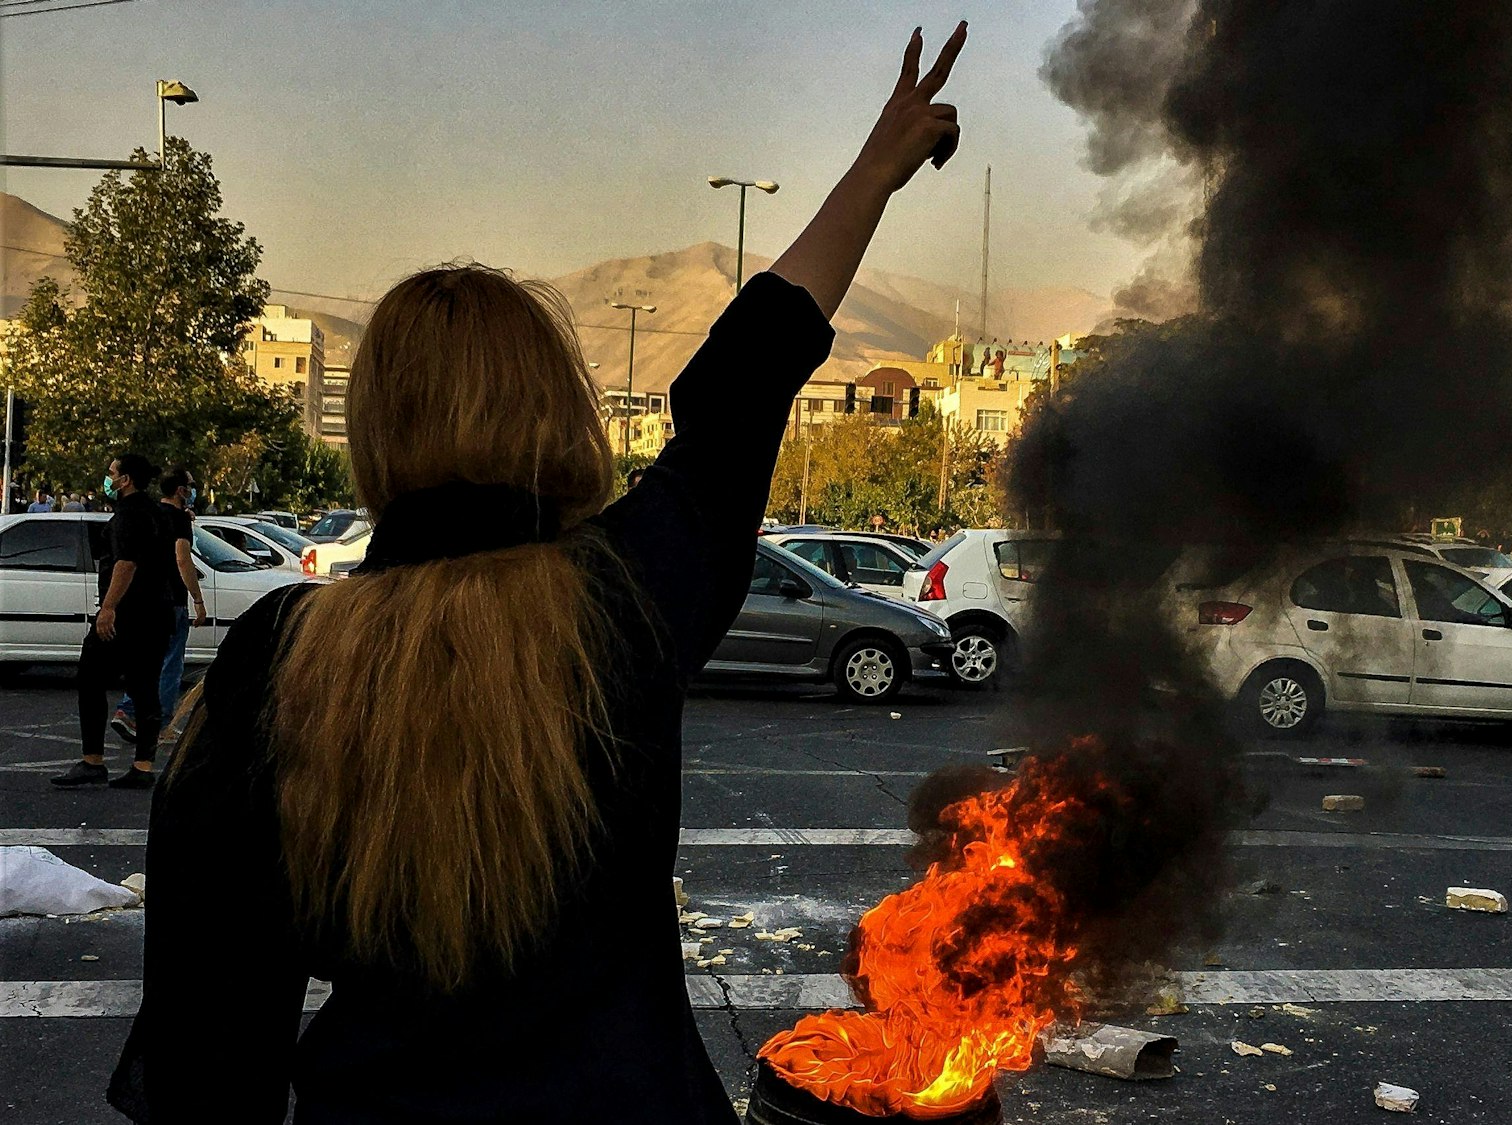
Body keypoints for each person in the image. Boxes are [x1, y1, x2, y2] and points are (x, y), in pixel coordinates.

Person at [109, 22, 966, 1122]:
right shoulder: (626, 597)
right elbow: (744, 382)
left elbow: (207, 1045)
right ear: (556, 410)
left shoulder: (281, 656)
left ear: (376, 431)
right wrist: (873, 173)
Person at [51, 453, 176, 789]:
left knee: (90, 678)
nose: (107, 478)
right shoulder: (156, 512)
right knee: (145, 687)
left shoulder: (129, 515)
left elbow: (126, 564)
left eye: (112, 473)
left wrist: (108, 609)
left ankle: (93, 761)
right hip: (156, 615)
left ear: (126, 480)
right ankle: (143, 766)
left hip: (128, 616)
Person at [108, 469, 208, 746]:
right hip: (171, 600)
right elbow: (182, 559)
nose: (193, 489)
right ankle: (159, 723)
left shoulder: (152, 512)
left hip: (145, 597)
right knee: (170, 664)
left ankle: (128, 710)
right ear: (180, 490)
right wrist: (197, 600)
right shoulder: (178, 520)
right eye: (191, 485)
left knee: (147, 660)